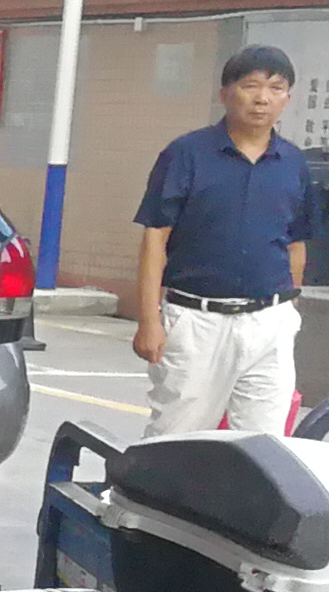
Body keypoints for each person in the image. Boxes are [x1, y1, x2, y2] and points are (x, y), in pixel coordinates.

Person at [132, 44, 312, 440]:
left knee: (262, 445)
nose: (262, 98)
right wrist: (149, 320)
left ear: (287, 98)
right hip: (197, 322)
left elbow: (295, 244)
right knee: (176, 438)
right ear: (225, 94)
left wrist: (289, 313)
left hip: (270, 323)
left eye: (276, 88)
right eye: (250, 86)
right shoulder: (186, 155)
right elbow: (155, 238)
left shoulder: (294, 164)